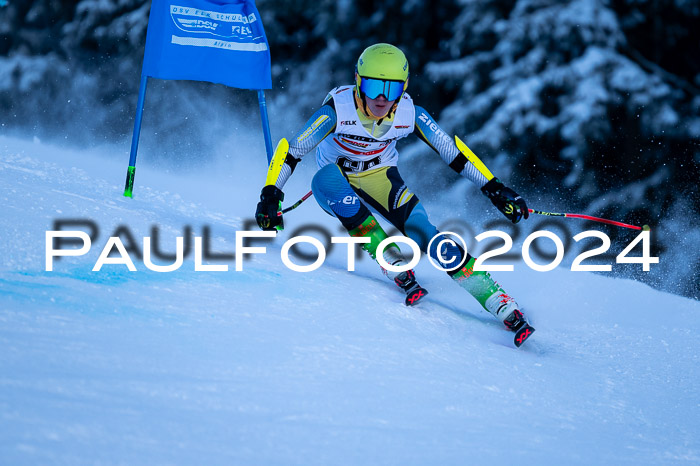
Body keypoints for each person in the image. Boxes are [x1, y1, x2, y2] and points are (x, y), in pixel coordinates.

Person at [256, 43, 531, 336]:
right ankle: (389, 256)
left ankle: (494, 297)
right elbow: (294, 150)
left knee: (425, 233)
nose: (382, 99)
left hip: (381, 176)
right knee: (327, 179)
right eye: (374, 86)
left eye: (392, 89)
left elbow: (454, 153)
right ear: (359, 82)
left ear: (405, 87)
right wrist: (271, 194)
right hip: (336, 181)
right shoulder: (338, 108)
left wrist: (495, 189)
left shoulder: (411, 113)